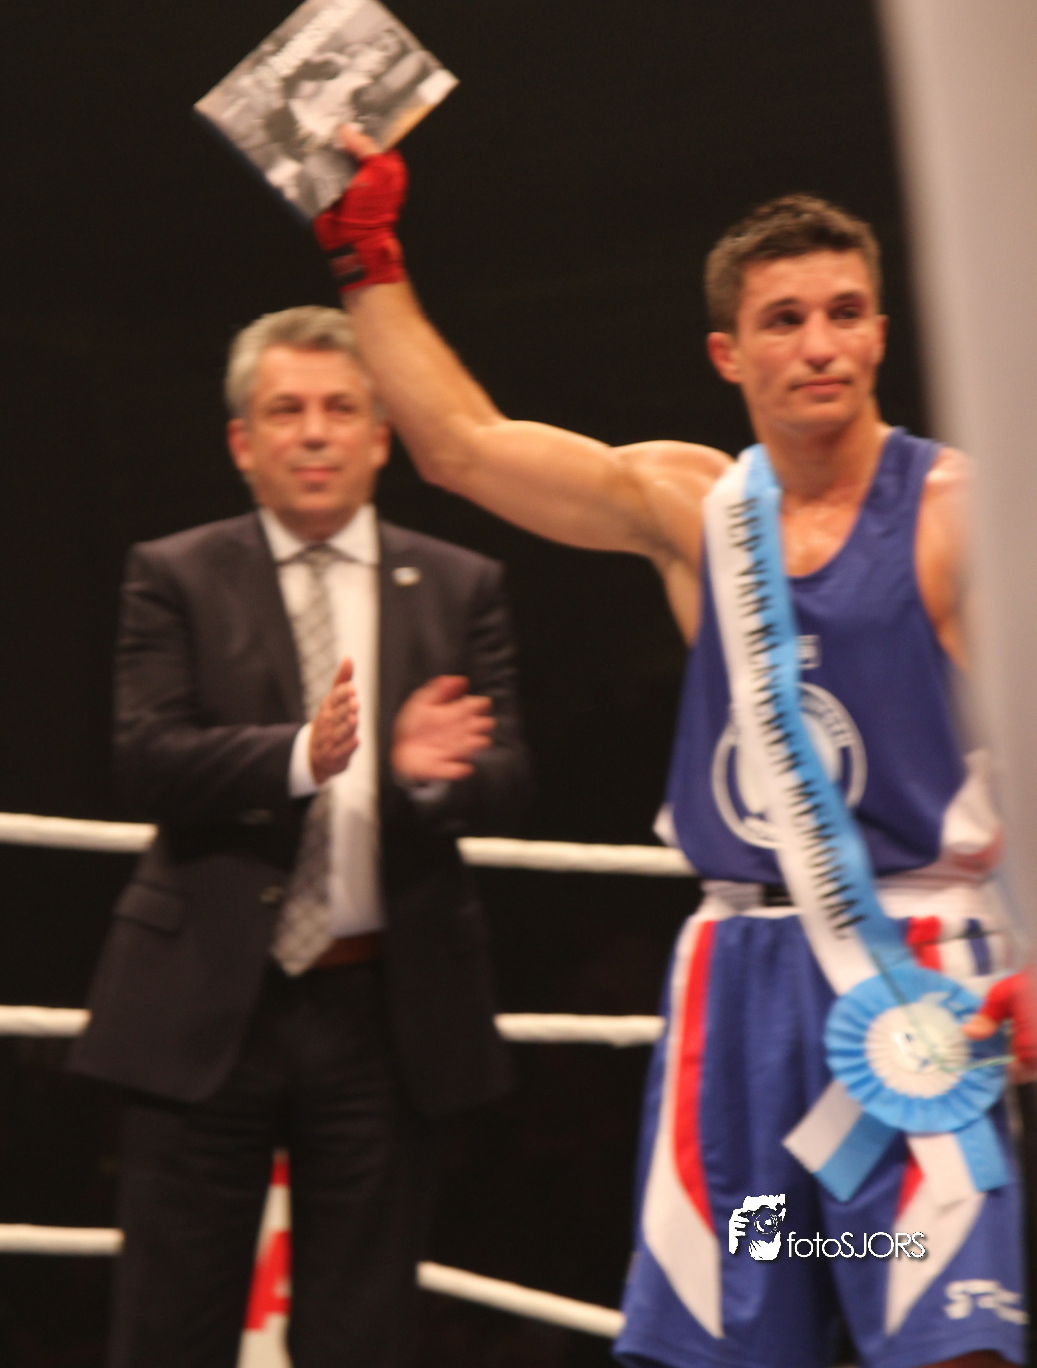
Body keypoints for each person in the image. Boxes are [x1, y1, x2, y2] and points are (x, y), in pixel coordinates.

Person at [307, 137, 1031, 1368]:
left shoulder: (959, 512)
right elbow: (462, 447)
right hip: (740, 1000)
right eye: (784, 319)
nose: (818, 344)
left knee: (942, 1328)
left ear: (879, 332)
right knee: (742, 1323)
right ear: (726, 354)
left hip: (920, 989)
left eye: (844, 312)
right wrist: (363, 258)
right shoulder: (694, 511)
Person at [71, 305, 530, 1368]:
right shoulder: (174, 572)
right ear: (244, 441)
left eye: (338, 408)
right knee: (167, 1331)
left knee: (359, 1337)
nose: (314, 432)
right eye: (286, 410)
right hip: (204, 1003)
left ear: (380, 434)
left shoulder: (459, 583)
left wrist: (423, 780)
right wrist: (297, 758)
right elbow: (145, 755)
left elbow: (511, 781)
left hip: (385, 1011)